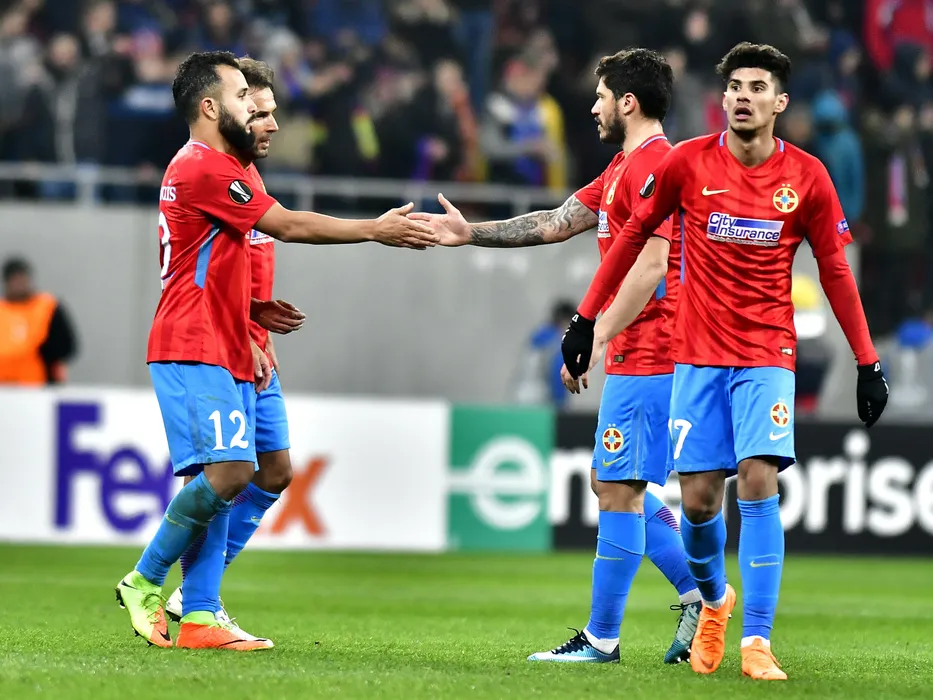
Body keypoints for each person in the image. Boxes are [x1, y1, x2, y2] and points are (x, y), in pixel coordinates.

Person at [560, 42, 889, 680]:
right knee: (700, 502)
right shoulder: (687, 163)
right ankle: (713, 599)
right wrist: (585, 319)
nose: (744, 96)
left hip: (768, 353)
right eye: (735, 86)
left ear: (779, 102)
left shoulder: (808, 177)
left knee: (759, 477)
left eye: (757, 87)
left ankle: (757, 641)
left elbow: (834, 271)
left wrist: (867, 362)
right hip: (697, 358)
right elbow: (634, 234)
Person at [114, 50, 437, 652]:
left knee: (237, 475)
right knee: (230, 473)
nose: (258, 111)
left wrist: (250, 310)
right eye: (244, 99)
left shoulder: (224, 167)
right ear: (210, 107)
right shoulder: (204, 167)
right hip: (194, 341)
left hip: (224, 336)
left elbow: (211, 257)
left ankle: (201, 615)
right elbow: (287, 226)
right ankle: (145, 578)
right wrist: (375, 228)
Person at [411, 48, 701, 665]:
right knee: (610, 481)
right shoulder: (623, 167)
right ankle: (698, 593)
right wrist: (471, 233)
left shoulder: (657, 164)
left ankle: (606, 637)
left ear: (628, 102)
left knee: (617, 487)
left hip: (656, 349)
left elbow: (652, 266)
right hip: (640, 350)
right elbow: (556, 221)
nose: (593, 107)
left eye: (601, 96)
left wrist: (593, 336)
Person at [161, 57, 304, 645]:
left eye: (268, 113)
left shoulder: (248, 180)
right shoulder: (216, 175)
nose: (267, 123)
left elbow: (239, 268)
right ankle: (193, 598)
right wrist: (243, 331)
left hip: (253, 342)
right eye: (256, 110)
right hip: (222, 343)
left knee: (275, 470)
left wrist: (257, 322)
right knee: (225, 471)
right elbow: (203, 272)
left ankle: (194, 593)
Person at [0, 257, 78, 385]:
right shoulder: (2, 310)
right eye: (14, 280)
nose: (19, 284)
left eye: (22, 279)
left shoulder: (48, 308)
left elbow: (66, 347)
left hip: (41, 385)